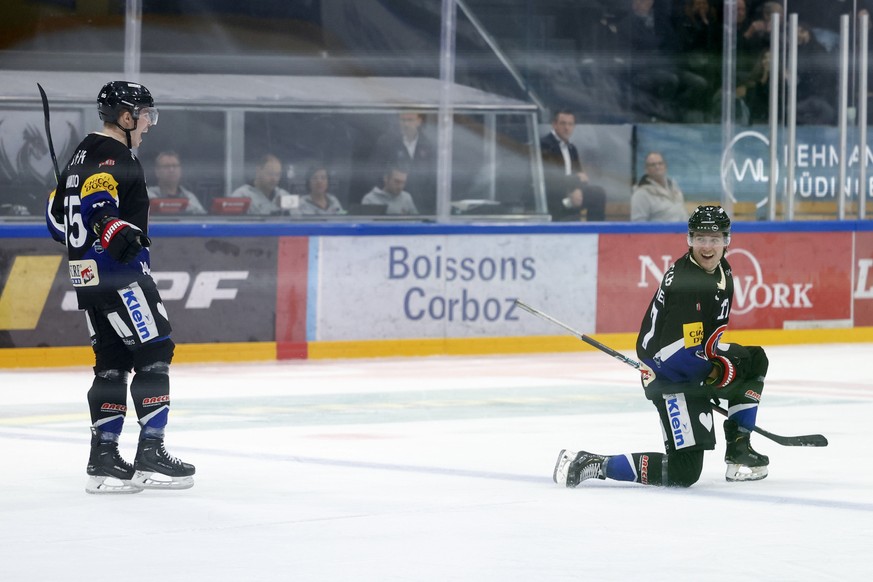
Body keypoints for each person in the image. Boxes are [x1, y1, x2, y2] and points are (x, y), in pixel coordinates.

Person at [45, 80, 195, 494]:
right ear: (125, 116)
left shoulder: (81, 154)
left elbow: (57, 225)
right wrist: (110, 226)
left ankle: (104, 459)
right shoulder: (113, 153)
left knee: (111, 360)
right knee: (154, 349)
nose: (149, 123)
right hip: (119, 272)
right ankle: (151, 452)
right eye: (145, 114)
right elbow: (100, 204)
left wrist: (65, 200)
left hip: (87, 278)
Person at [554, 205, 771, 488]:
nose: (707, 246)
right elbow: (673, 354)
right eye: (700, 238)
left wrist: (718, 365)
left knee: (753, 359)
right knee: (684, 472)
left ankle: (739, 447)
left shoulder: (722, 270)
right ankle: (592, 462)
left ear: (727, 241)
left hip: (693, 360)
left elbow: (701, 340)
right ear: (689, 239)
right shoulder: (687, 287)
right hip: (668, 375)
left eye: (715, 238)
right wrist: (717, 372)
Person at [540, 109, 606, 221]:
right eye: (563, 123)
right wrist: (575, 180)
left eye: (570, 124)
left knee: (597, 194)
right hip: (553, 199)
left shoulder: (572, 148)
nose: (567, 128)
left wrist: (577, 190)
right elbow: (550, 179)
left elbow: (580, 175)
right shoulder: (545, 145)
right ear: (554, 125)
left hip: (570, 196)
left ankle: (594, 233)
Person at [372, 111, 436, 214]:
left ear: (419, 121)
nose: (406, 124)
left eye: (410, 120)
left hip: (423, 208)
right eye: (403, 120)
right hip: (394, 208)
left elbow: (433, 178)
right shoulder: (386, 142)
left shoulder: (429, 145)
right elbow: (376, 174)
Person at [630, 152, 688, 222]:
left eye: (660, 163)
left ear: (665, 166)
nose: (657, 167)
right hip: (660, 232)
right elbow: (638, 225)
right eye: (653, 165)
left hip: (683, 231)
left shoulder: (674, 187)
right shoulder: (641, 194)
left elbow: (682, 213)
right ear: (646, 170)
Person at [230, 153, 295, 215]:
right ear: (258, 171)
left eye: (277, 175)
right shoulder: (241, 195)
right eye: (270, 173)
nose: (274, 179)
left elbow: (297, 218)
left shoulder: (283, 195)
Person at [147, 150, 207, 215]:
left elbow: (202, 219)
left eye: (175, 166)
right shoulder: (147, 196)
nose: (171, 170)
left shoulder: (189, 197)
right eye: (166, 166)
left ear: (180, 170)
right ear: (157, 172)